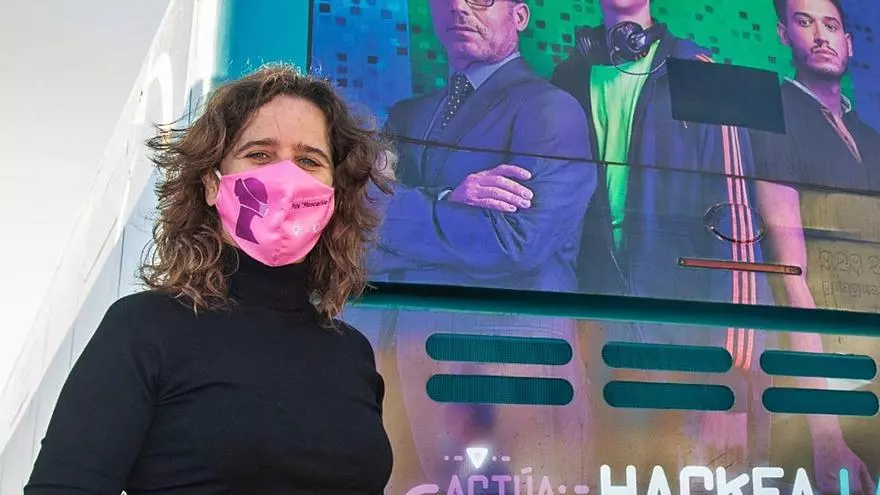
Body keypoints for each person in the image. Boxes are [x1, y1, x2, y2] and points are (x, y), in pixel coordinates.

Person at [25, 65, 394, 494]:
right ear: (211, 184)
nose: (286, 177)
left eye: (309, 161)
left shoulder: (351, 353)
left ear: (333, 193)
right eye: (259, 154)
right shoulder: (146, 328)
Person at [344, 0, 597, 490]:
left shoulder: (551, 110)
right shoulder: (409, 115)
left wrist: (405, 209)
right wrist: (447, 199)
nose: (460, 7)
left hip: (515, 368)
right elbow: (354, 229)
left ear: (520, 17)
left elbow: (513, 243)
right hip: (408, 367)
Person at [547, 0, 778, 485]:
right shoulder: (568, 77)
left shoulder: (702, 71)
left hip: (692, 348)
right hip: (603, 336)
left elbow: (738, 226)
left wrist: (731, 386)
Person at [752, 0, 879, 492]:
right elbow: (790, 278)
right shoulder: (775, 116)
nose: (821, 36)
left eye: (832, 25)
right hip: (822, 384)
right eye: (805, 22)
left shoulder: (871, 138)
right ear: (784, 34)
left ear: (849, 42)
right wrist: (825, 430)